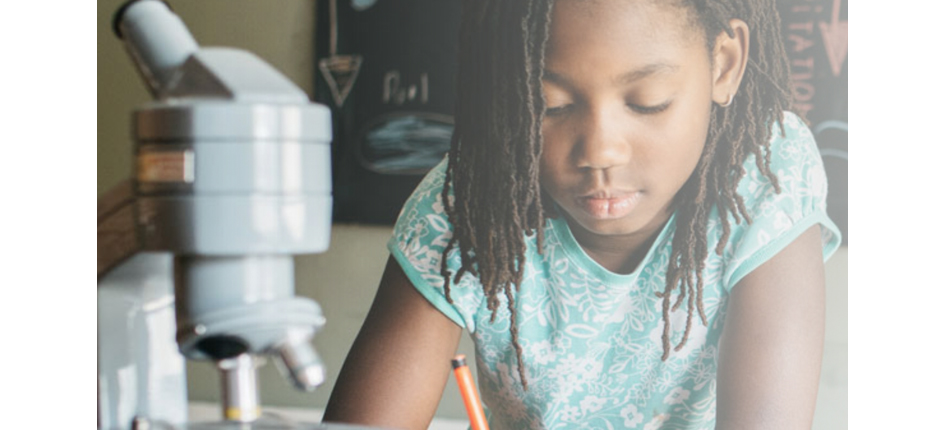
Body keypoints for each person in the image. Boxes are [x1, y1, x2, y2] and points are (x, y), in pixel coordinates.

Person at [323, 0, 842, 428]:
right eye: (549, 104)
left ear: (724, 65)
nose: (600, 150)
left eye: (648, 102)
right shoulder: (469, 204)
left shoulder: (767, 171)